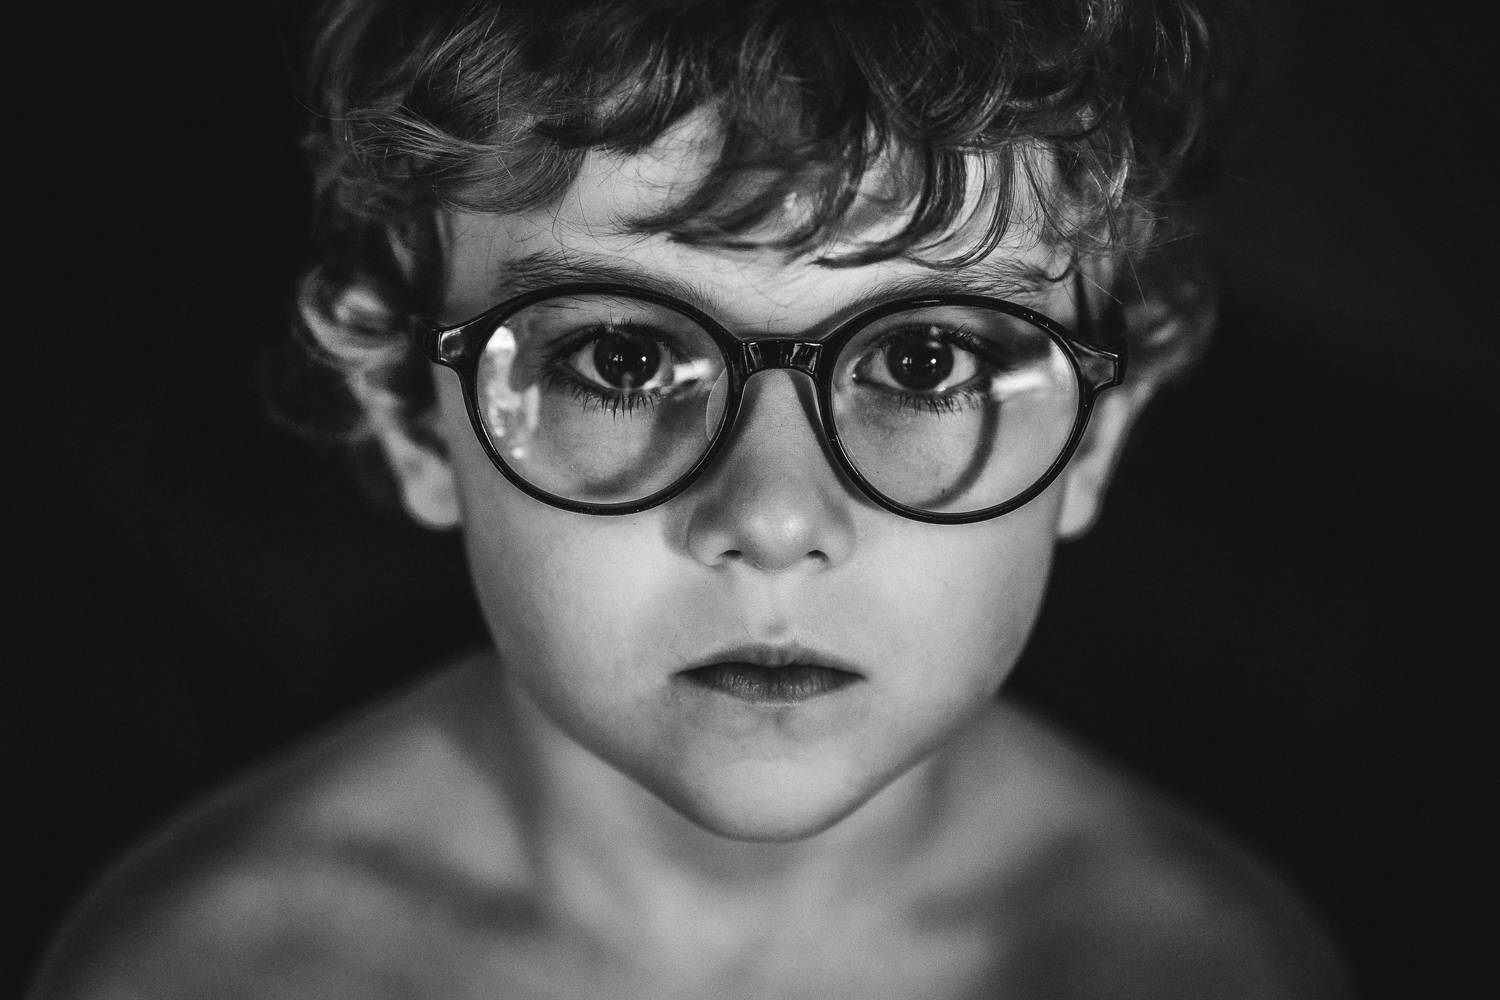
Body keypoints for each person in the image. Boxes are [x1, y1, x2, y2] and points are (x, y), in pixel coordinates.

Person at [28, 0, 1353, 996]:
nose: (774, 520)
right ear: (407, 411)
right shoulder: (206, 971)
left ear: (1101, 426)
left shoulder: (1201, 969)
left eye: (924, 361)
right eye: (620, 359)